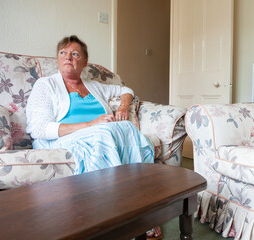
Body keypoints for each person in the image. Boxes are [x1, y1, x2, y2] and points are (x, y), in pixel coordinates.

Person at [26, 35, 161, 239]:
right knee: (105, 133)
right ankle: (110, 216)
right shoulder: (45, 85)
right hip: (62, 138)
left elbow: (126, 89)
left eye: (75, 54)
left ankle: (140, 209)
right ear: (57, 58)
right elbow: (39, 129)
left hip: (100, 131)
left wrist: (123, 106)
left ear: (85, 62)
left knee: (125, 127)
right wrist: (91, 124)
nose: (68, 57)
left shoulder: (95, 86)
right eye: (63, 53)